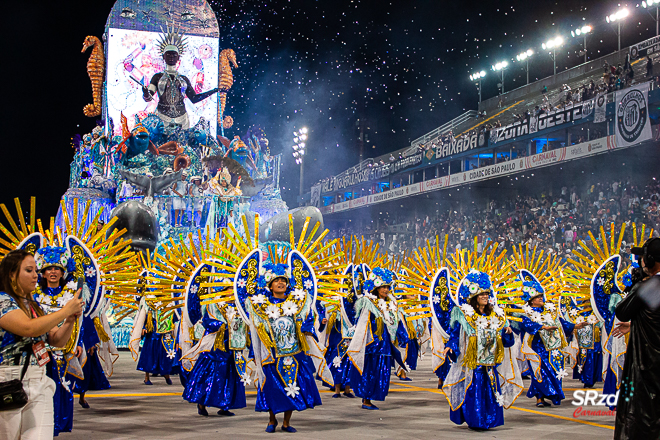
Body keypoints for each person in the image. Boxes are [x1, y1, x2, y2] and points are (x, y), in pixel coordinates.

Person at [0, 249, 84, 440]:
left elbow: (56, 340)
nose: (36, 275)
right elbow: (28, 329)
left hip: (39, 378)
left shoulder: (33, 304)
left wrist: (70, 320)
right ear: (12, 274)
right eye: (29, 270)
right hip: (8, 381)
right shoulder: (2, 301)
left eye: (36, 270)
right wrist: (65, 311)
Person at [612, 238, 660, 439]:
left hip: (648, 364)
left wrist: (639, 284)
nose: (640, 261)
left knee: (645, 417)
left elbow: (622, 311)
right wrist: (634, 325)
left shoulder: (650, 286)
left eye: (642, 257)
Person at [347, 267, 409, 410]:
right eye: (383, 287)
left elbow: (397, 321)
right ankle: (366, 400)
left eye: (388, 287)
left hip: (386, 345)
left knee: (382, 373)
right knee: (371, 372)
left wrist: (403, 335)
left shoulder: (392, 304)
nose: (386, 290)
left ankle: (371, 397)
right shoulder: (368, 302)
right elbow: (363, 323)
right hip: (373, 345)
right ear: (376, 287)